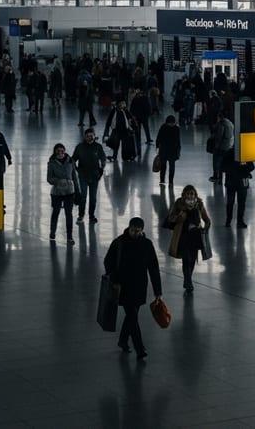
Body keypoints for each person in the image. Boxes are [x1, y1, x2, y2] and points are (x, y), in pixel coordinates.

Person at [103, 217, 163, 360]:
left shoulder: (147, 245)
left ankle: (123, 340)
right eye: (132, 230)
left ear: (142, 231)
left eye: (137, 231)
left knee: (132, 315)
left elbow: (153, 268)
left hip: (139, 286)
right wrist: (114, 280)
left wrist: (157, 291)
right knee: (132, 315)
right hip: (123, 286)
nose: (134, 233)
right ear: (128, 228)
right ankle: (140, 349)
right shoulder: (119, 243)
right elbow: (108, 262)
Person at [166, 185, 212, 293]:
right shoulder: (178, 204)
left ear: (195, 195)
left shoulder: (199, 204)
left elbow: (207, 220)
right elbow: (170, 217)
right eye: (188, 193)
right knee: (186, 259)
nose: (190, 196)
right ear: (184, 194)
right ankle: (188, 281)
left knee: (192, 260)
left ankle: (188, 279)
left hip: (195, 236)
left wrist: (205, 230)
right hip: (183, 236)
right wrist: (179, 218)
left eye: (192, 194)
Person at [73, 128, 107, 224]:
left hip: (95, 176)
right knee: (83, 197)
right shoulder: (79, 147)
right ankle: (81, 215)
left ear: (94, 136)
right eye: (87, 136)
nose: (89, 138)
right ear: (85, 137)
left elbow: (103, 159)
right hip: (83, 176)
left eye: (91, 136)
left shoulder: (98, 147)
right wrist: (77, 170)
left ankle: (91, 215)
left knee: (93, 198)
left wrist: (101, 170)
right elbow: (73, 159)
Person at [45, 143, 77, 245]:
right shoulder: (51, 163)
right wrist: (59, 181)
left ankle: (69, 236)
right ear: (55, 152)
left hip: (69, 192)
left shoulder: (70, 161)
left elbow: (74, 176)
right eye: (58, 151)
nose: (60, 153)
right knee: (56, 212)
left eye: (62, 151)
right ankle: (52, 231)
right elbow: (49, 178)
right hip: (57, 193)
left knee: (69, 214)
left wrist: (77, 190)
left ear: (64, 151)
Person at [221, 154, 255, 228]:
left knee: (230, 202)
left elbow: (222, 167)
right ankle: (239, 221)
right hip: (242, 182)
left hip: (231, 182)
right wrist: (243, 168)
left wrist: (233, 169)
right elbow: (252, 167)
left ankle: (229, 221)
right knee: (241, 203)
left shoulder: (229, 154)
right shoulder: (245, 154)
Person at [154, 115, 181, 186]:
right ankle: (163, 180)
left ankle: (170, 181)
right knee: (164, 166)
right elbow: (158, 137)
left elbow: (178, 140)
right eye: (171, 123)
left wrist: (178, 150)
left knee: (171, 166)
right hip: (165, 150)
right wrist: (157, 146)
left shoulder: (175, 128)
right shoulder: (165, 128)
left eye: (173, 123)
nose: (172, 124)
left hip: (170, 150)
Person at [209, 111, 236, 184]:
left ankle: (217, 177)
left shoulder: (221, 124)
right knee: (225, 163)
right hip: (229, 146)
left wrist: (216, 147)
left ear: (219, 117)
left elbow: (219, 137)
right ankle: (222, 178)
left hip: (221, 147)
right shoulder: (230, 123)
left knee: (217, 163)